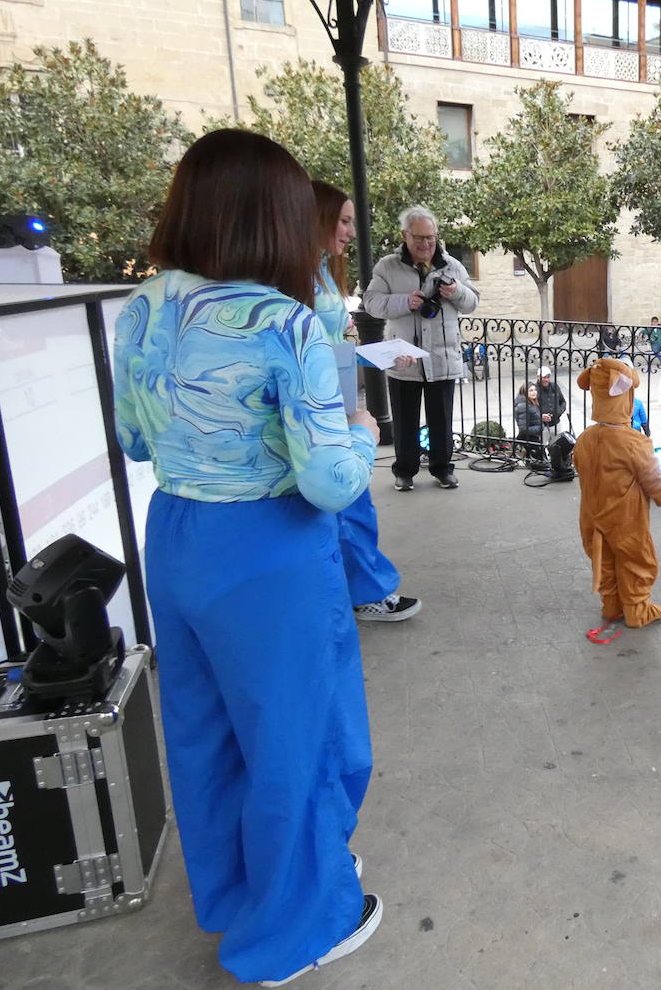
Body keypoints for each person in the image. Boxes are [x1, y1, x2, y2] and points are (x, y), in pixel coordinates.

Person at [111, 129, 382, 986]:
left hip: (178, 533)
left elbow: (131, 437)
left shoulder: (142, 305)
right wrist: (365, 435)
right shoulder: (285, 323)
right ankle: (294, 929)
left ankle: (234, 896)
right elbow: (331, 480)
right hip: (267, 545)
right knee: (294, 734)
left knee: (203, 730)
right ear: (273, 215)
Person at [310, 180, 419, 623]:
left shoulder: (317, 272)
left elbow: (327, 344)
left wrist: (365, 351)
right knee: (348, 500)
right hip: (328, 412)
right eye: (344, 221)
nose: (351, 233)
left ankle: (364, 588)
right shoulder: (298, 280)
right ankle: (368, 592)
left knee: (352, 504)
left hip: (337, 402)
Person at [364, 204, 478, 491]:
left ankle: (443, 469)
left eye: (431, 237)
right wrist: (405, 302)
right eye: (419, 238)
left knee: (442, 419)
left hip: (442, 358)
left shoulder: (453, 266)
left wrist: (456, 292)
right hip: (405, 360)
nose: (426, 244)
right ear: (405, 236)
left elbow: (473, 303)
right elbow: (371, 303)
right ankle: (405, 471)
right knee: (405, 422)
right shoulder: (387, 267)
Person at [573, 357, 661, 627]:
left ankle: (611, 606)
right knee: (637, 559)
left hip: (591, 516)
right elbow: (654, 478)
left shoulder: (585, 439)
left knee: (605, 560)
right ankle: (637, 609)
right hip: (625, 518)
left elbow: (580, 466)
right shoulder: (633, 441)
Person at [514, 381, 545, 466]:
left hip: (532, 438)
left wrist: (541, 418)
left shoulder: (531, 402)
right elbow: (524, 428)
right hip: (529, 439)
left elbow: (530, 418)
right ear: (525, 392)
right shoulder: (524, 406)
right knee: (537, 464)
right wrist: (540, 427)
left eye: (535, 390)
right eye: (530, 390)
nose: (534, 392)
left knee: (538, 463)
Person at [536, 365, 567, 443]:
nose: (546, 379)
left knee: (557, 448)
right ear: (538, 377)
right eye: (544, 377)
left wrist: (558, 412)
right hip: (542, 427)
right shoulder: (534, 390)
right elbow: (529, 409)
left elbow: (563, 402)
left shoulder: (555, 386)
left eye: (548, 377)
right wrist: (540, 416)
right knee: (540, 449)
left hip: (557, 424)